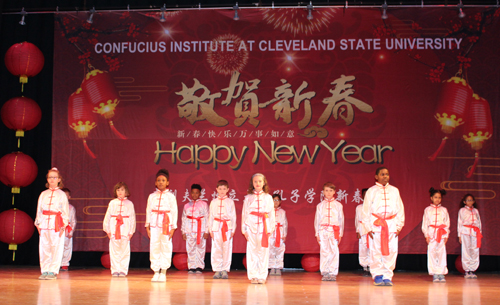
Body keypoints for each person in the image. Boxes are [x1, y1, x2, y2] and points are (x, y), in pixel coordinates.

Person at [362, 167, 405, 286]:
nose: (385, 176)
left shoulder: (395, 190)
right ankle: (377, 275)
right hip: (376, 225)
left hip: (391, 225)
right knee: (376, 251)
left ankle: (387, 275)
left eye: (387, 174)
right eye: (382, 174)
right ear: (376, 176)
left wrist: (398, 226)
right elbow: (365, 211)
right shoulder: (371, 191)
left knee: (391, 251)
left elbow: (400, 209)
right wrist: (368, 227)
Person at [34, 167, 69, 280]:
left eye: (54, 177)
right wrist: (38, 223)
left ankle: (53, 271)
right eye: (50, 177)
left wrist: (63, 225)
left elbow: (65, 211)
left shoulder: (62, 194)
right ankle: (45, 270)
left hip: (56, 224)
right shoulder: (43, 194)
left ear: (59, 179)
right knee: (44, 248)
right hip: (44, 223)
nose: (52, 179)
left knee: (56, 247)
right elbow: (39, 210)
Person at [242, 173, 275, 284]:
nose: (257, 183)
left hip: (264, 226)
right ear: (252, 183)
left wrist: (270, 229)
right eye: (255, 181)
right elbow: (244, 214)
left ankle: (262, 275)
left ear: (264, 182)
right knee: (252, 251)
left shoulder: (268, 197)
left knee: (263, 251)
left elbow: (271, 214)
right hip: (251, 226)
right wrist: (244, 229)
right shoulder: (248, 198)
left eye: (260, 181)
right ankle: (253, 275)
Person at [145, 169, 178, 282]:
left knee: (166, 246)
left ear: (167, 182)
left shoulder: (171, 196)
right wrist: (147, 226)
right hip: (154, 224)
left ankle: (163, 271)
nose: (161, 182)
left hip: (166, 224)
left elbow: (174, 212)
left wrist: (173, 227)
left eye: (163, 180)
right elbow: (148, 210)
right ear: (155, 182)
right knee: (154, 246)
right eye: (158, 180)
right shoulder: (152, 196)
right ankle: (155, 271)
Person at [103, 182, 136, 277]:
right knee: (114, 250)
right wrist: (108, 230)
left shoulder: (129, 204)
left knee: (124, 251)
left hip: (125, 230)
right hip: (114, 229)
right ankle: (115, 269)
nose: (120, 192)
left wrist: (131, 231)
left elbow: (132, 218)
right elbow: (107, 216)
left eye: (122, 190)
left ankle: (123, 270)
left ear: (126, 191)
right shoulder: (112, 203)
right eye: (118, 190)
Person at [314, 182, 344, 281]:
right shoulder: (320, 205)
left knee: (334, 251)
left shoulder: (338, 205)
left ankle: (333, 272)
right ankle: (325, 271)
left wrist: (340, 234)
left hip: (334, 230)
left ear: (334, 192)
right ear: (323, 192)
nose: (328, 193)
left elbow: (341, 220)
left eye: (331, 191)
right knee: (324, 251)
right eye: (326, 190)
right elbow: (317, 220)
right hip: (323, 230)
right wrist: (317, 233)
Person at [208, 180, 237, 279]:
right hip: (216, 226)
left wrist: (233, 229)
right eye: (220, 189)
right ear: (216, 189)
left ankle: (225, 269)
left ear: (228, 190)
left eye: (224, 189)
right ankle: (217, 269)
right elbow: (210, 216)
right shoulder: (213, 202)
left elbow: (233, 216)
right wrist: (210, 229)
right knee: (216, 248)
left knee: (227, 247)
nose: (222, 191)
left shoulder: (230, 202)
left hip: (227, 227)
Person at [422, 188, 449, 283]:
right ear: (431, 198)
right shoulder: (428, 210)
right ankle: (434, 273)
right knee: (432, 252)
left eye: (439, 198)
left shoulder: (444, 210)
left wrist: (446, 235)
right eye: (435, 197)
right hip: (432, 232)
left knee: (441, 253)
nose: (437, 199)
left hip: (441, 233)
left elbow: (447, 223)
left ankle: (441, 272)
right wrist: (426, 235)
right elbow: (425, 223)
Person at [181, 184, 209, 274]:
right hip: (189, 230)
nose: (194, 195)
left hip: (200, 230)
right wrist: (183, 232)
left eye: (196, 193)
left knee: (200, 249)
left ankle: (199, 266)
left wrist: (206, 231)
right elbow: (183, 219)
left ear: (200, 193)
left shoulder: (204, 204)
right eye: (193, 193)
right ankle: (191, 266)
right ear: (190, 193)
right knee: (190, 249)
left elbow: (207, 218)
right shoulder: (186, 205)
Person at [458, 193, 482, 279]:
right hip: (465, 231)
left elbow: (479, 222)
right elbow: (459, 223)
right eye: (468, 200)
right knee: (466, 250)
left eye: (471, 200)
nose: (469, 201)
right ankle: (467, 270)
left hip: (475, 232)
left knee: (475, 250)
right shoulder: (462, 210)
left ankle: (473, 269)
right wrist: (459, 235)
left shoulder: (476, 211)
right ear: (464, 202)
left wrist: (480, 232)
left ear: (474, 201)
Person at [269, 194, 288, 276]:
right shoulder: (268, 211)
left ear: (280, 201)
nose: (275, 202)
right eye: (274, 200)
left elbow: (285, 224)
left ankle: (278, 267)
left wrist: (284, 234)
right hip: (270, 234)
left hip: (279, 233)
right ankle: (272, 267)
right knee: (271, 251)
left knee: (279, 250)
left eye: (277, 200)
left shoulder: (282, 212)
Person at [355, 188, 370, 277]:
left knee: (372, 249)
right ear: (362, 196)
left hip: (371, 231)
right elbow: (357, 220)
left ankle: (372, 267)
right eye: (364, 194)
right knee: (363, 249)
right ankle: (364, 267)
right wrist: (358, 230)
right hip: (362, 229)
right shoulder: (359, 207)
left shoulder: (373, 207)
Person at [60, 188, 76, 271]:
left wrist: (71, 231)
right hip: (58, 229)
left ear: (69, 197)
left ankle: (65, 264)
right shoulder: (57, 207)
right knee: (58, 246)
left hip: (67, 229)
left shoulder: (71, 208)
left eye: (66, 196)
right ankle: (56, 263)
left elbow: (73, 221)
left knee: (67, 247)